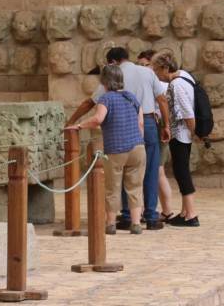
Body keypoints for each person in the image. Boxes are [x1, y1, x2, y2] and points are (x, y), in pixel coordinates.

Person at [67, 46, 170, 230]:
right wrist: (166, 125)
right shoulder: (147, 72)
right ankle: (151, 216)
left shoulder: (112, 75)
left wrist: (73, 121)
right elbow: (162, 99)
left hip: (121, 125)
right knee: (149, 170)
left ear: (112, 62)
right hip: (147, 121)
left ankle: (126, 216)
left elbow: (90, 103)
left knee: (120, 173)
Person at [65, 65, 145, 234]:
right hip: (138, 147)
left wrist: (78, 126)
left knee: (112, 187)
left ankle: (110, 224)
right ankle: (136, 224)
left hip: (117, 148)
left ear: (104, 82)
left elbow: (98, 119)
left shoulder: (106, 99)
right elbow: (140, 123)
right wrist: (138, 140)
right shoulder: (132, 97)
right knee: (135, 186)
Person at [152, 51, 199, 227]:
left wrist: (196, 133)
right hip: (183, 133)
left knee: (182, 172)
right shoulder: (185, 76)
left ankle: (191, 214)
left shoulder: (176, 84)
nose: (156, 74)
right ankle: (186, 211)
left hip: (181, 134)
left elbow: (187, 113)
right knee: (182, 171)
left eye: (157, 70)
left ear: (165, 67)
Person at [137, 49, 174, 221]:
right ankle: (154, 209)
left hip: (156, 127)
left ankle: (165, 211)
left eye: (146, 65)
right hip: (154, 126)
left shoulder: (161, 84)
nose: (143, 69)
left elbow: (162, 104)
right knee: (151, 170)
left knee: (157, 171)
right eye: (141, 65)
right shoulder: (151, 81)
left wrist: (165, 126)